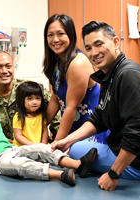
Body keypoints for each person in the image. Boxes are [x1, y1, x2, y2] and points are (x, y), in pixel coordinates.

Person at [51, 21, 140, 191]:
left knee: (75, 151)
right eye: (88, 48)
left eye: (99, 44)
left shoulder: (128, 75)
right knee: (74, 146)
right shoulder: (110, 75)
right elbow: (99, 117)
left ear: (116, 42)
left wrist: (113, 175)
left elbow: (138, 131)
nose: (94, 53)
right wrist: (66, 140)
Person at [0, 85, 98, 187]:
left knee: (41, 147)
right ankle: (61, 174)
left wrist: (6, 142)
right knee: (22, 164)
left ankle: (77, 165)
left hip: (11, 148)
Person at [43, 14, 109, 142]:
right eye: (50, 35)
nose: (55, 39)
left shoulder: (78, 63)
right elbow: (56, 97)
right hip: (71, 129)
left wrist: (57, 144)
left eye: (60, 34)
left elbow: (70, 107)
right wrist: (42, 125)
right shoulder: (58, 62)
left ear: (70, 35)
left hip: (89, 132)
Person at [0, 50, 61, 142]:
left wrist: (59, 144)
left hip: (39, 146)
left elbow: (58, 121)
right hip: (4, 150)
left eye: (8, 66)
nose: (4, 71)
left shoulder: (33, 90)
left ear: (13, 67)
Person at [12, 81, 48, 146]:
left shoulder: (42, 114)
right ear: (22, 100)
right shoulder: (18, 116)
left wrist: (43, 145)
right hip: (23, 147)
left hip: (39, 146)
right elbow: (18, 136)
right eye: (30, 99)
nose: (34, 102)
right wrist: (33, 146)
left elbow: (44, 131)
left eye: (38, 98)